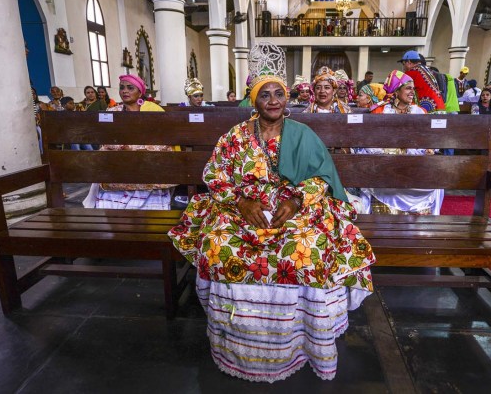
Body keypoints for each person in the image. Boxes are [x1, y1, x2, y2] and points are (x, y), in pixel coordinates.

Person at [168, 42, 376, 383]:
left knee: (307, 252)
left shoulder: (303, 134)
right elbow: (214, 175)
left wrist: (295, 202)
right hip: (242, 207)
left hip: (294, 206)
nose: (274, 100)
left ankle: (299, 342)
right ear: (255, 100)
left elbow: (323, 178)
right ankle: (239, 344)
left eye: (279, 93)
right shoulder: (235, 137)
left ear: (288, 97)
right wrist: (241, 202)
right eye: (266, 95)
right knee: (220, 248)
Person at [83, 74, 176, 210]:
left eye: (130, 88)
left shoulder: (153, 110)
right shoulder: (112, 112)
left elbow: (162, 141)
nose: (125, 91)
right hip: (119, 165)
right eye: (122, 88)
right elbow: (106, 139)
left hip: (147, 164)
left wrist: (132, 149)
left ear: (140, 92)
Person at [360, 70, 444, 215]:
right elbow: (369, 141)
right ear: (396, 91)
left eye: (413, 89)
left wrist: (424, 150)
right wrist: (389, 154)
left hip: (413, 166)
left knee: (436, 183)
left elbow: (429, 141)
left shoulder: (419, 112)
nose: (412, 92)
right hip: (385, 165)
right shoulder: (380, 111)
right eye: (408, 88)